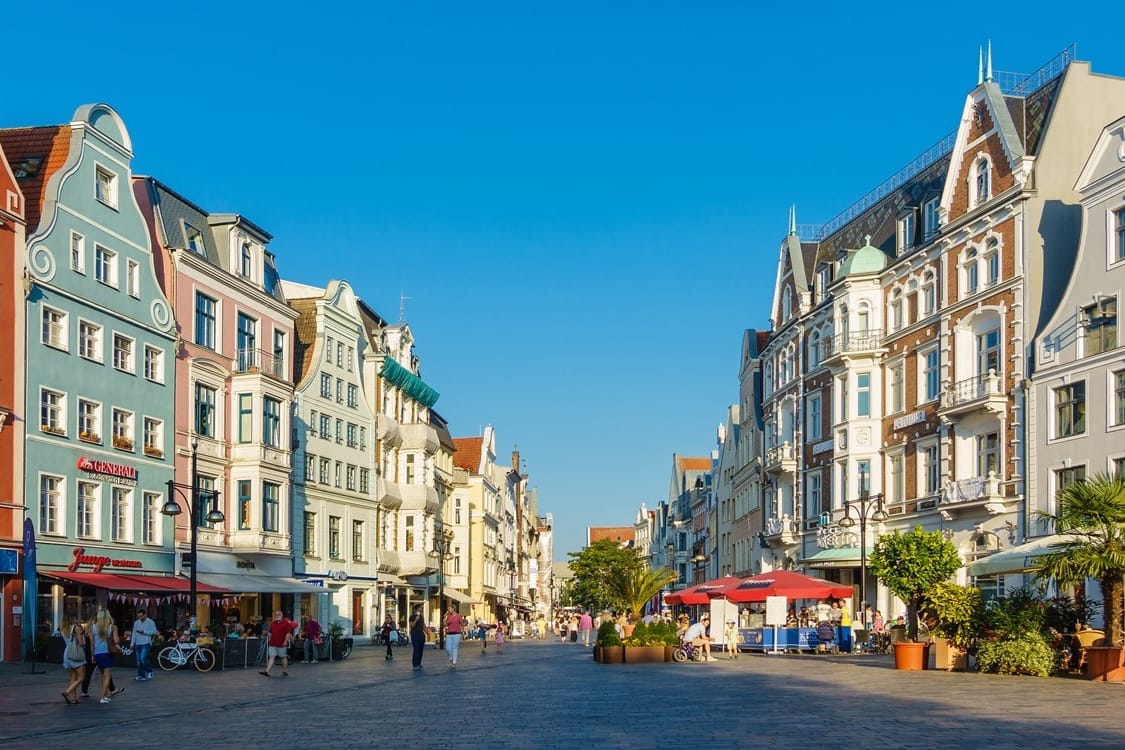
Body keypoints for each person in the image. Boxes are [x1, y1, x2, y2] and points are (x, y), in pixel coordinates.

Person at [90, 608, 122, 703]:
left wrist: (92, 655)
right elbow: (116, 641)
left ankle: (104, 695)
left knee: (103, 675)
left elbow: (92, 644)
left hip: (97, 653)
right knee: (107, 675)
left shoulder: (93, 627)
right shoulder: (112, 627)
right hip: (108, 653)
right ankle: (102, 697)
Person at [260, 610, 297, 677]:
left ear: (282, 615)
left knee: (283, 657)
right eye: (276, 615)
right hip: (272, 643)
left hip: (281, 643)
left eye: (279, 614)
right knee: (272, 656)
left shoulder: (286, 623)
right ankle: (267, 671)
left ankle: (284, 671)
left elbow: (288, 633)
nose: (277, 615)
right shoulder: (273, 623)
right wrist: (268, 637)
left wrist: (285, 641)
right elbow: (270, 633)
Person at [61, 620, 86, 704]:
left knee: (73, 676)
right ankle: (67, 692)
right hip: (76, 654)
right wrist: (82, 634)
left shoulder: (62, 628)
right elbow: (81, 643)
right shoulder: (76, 628)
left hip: (67, 654)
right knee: (81, 677)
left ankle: (73, 698)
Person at [130, 608, 158, 681]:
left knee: (142, 658)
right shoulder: (136, 622)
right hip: (137, 643)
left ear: (145, 615)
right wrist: (132, 643)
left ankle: (149, 670)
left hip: (146, 642)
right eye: (139, 616)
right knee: (139, 660)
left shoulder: (150, 622)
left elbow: (154, 632)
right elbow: (134, 633)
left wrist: (144, 632)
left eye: (142, 616)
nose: (140, 618)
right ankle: (141, 675)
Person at [408, 605, 430, 670]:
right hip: (415, 635)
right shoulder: (412, 617)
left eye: (421, 608)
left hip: (421, 635)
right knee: (416, 649)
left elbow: (423, 625)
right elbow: (412, 625)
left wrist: (427, 632)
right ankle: (415, 664)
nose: (421, 609)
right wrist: (416, 620)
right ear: (415, 610)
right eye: (420, 608)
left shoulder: (422, 617)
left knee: (420, 650)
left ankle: (419, 663)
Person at [444, 604, 464, 669]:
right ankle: (451, 657)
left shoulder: (458, 616)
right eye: (448, 608)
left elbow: (462, 624)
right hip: (449, 634)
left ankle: (454, 663)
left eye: (449, 608)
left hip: (457, 634)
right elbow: (445, 624)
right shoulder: (448, 616)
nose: (448, 610)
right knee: (448, 648)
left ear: (453, 609)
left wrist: (462, 631)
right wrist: (445, 618)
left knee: (455, 648)